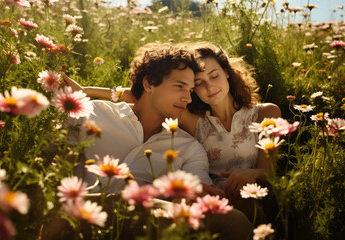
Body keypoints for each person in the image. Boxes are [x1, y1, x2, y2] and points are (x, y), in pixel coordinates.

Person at [62, 41, 281, 222]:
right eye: (198, 84)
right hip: (207, 194)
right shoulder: (195, 121)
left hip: (248, 195)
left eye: (214, 76)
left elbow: (271, 173)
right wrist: (86, 91)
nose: (209, 87)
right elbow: (140, 95)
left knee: (237, 220)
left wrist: (249, 175)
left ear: (227, 74)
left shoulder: (263, 113)